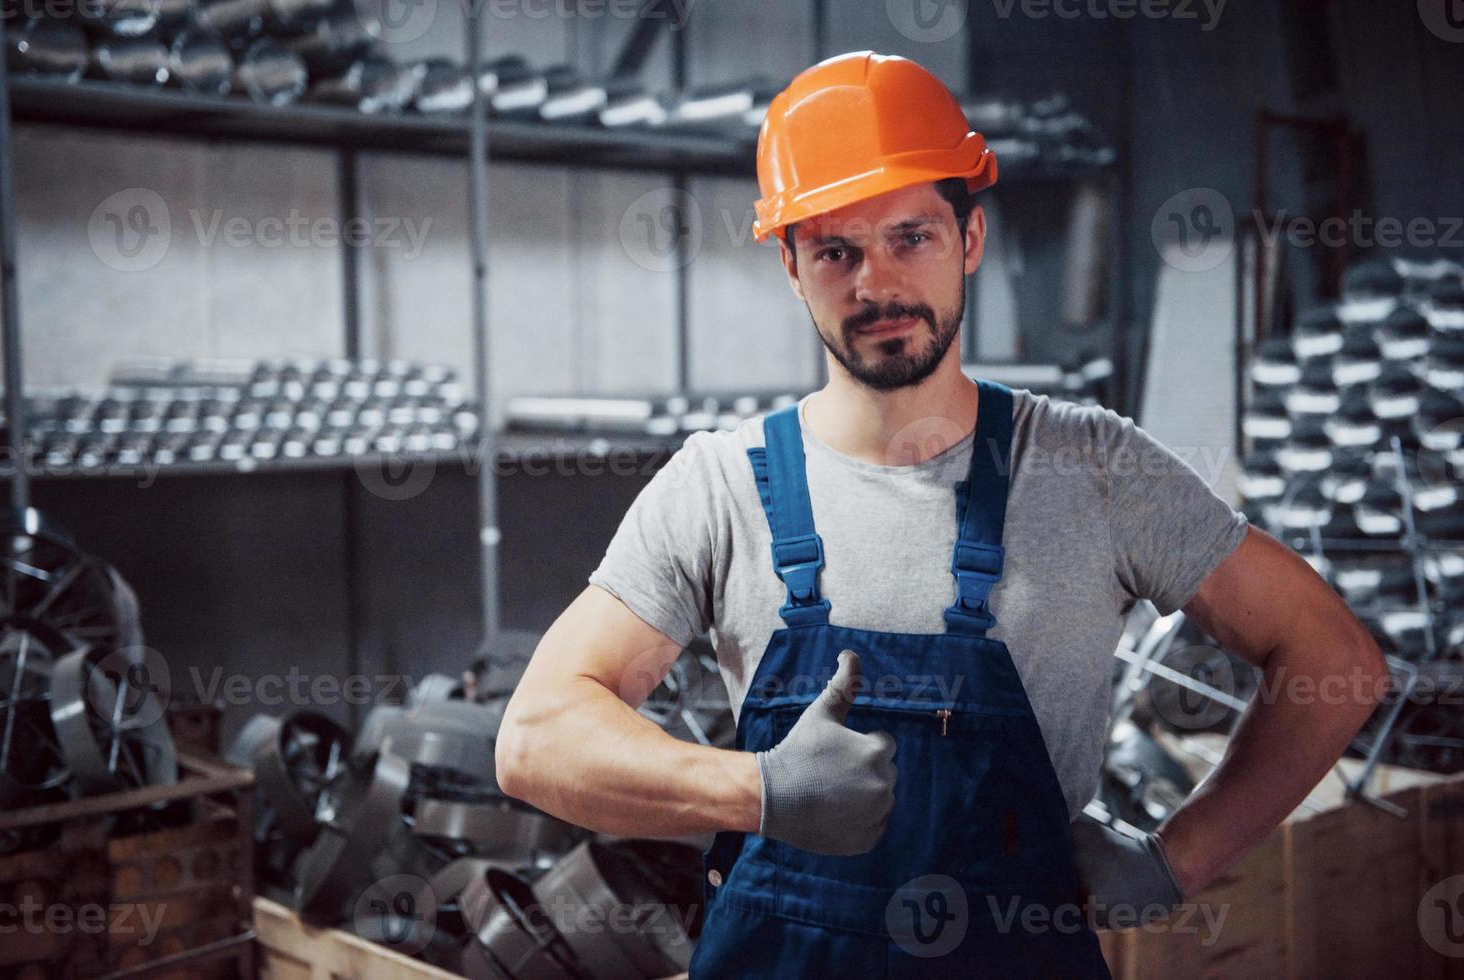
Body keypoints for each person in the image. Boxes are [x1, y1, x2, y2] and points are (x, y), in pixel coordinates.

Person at [495, 50, 1387, 977]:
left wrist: (1177, 860)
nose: (876, 282)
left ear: (969, 239)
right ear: (792, 269)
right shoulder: (721, 485)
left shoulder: (1093, 466)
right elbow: (536, 737)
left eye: (910, 235)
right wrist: (753, 788)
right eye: (835, 249)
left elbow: (1334, 659)